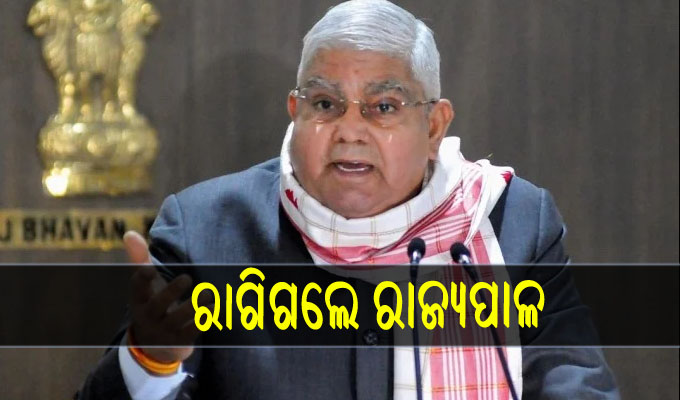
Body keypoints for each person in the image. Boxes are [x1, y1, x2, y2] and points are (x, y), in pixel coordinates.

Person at [77, 1, 619, 398]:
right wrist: (148, 361)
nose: (350, 131)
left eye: (383, 107)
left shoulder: (510, 221)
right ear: (295, 112)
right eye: (325, 104)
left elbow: (576, 385)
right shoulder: (206, 231)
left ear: (434, 125)